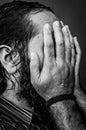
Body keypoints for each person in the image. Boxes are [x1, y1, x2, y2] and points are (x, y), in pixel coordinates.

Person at [0, 1, 86, 130]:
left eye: (63, 42)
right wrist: (61, 98)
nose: (65, 58)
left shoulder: (49, 111)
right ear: (10, 58)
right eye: (51, 44)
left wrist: (79, 96)